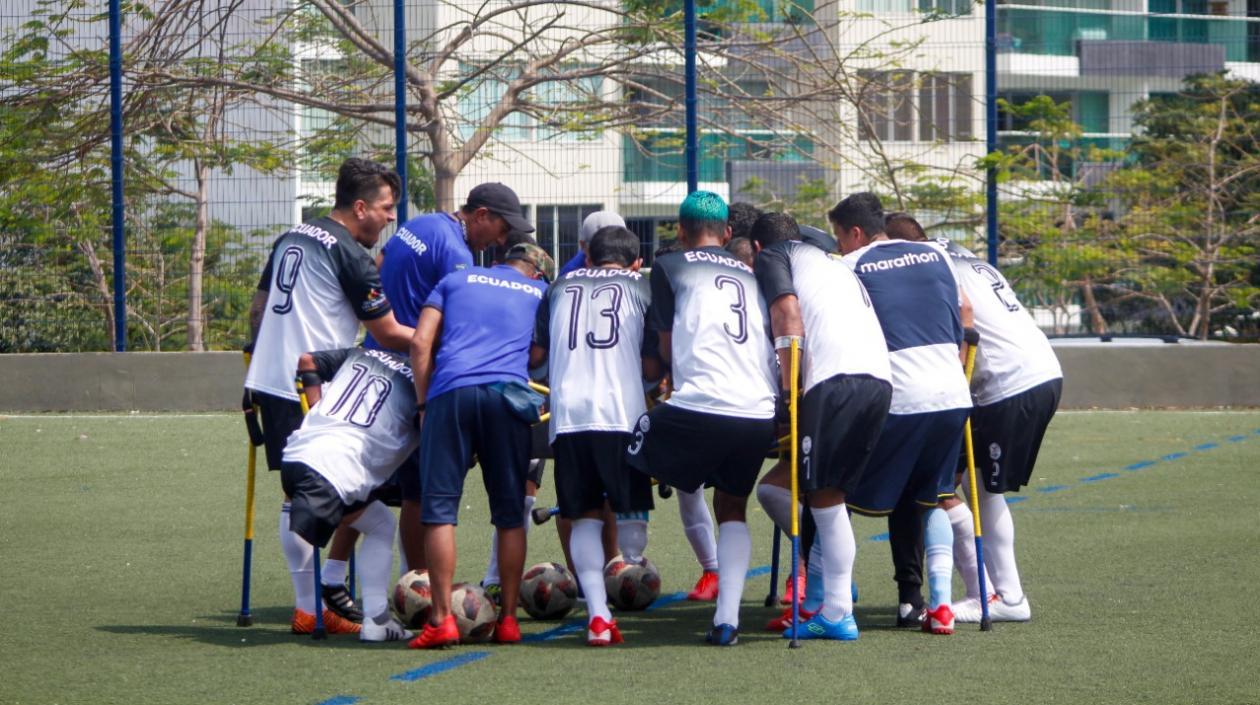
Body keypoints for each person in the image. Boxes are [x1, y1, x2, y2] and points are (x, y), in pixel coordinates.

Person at [243, 157, 414, 634]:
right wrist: (441, 340)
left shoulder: (292, 235)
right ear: (360, 207)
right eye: (386, 207)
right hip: (310, 383)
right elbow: (388, 333)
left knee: (300, 492)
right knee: (322, 493)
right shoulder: (352, 256)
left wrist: (254, 367)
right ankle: (312, 607)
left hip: (272, 377)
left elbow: (259, 308)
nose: (390, 218)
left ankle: (322, 596)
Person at [885, 213, 1062, 623]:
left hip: (1007, 383)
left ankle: (1008, 597)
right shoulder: (960, 253)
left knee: (981, 490)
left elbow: (963, 311)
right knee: (959, 482)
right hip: (1041, 370)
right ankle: (982, 588)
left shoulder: (927, 263)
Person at [627, 191, 778, 646]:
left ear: (679, 229)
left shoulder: (670, 266)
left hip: (700, 406)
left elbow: (667, 348)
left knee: (622, 454)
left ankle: (616, 569)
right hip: (758, 411)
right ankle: (726, 620)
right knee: (731, 505)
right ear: (728, 233)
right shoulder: (754, 274)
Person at [364, 183, 533, 573]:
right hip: (415, 374)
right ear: (481, 215)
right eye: (503, 227)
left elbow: (377, 269)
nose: (504, 239)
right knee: (424, 494)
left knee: (391, 488)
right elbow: (459, 327)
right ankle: (422, 589)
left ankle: (407, 581)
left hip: (375, 360)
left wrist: (381, 327)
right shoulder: (458, 256)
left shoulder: (420, 224)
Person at [831, 192, 972, 636]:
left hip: (900, 397)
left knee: (831, 489)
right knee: (928, 496)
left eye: (839, 237)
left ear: (855, 233)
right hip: (953, 393)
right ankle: (934, 604)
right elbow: (963, 314)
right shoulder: (935, 253)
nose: (838, 247)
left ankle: (826, 597)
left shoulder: (850, 267)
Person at [749, 213, 893, 639]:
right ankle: (829, 602)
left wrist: (790, 393)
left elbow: (787, 315)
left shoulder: (774, 255)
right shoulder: (832, 263)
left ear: (758, 248)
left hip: (835, 382)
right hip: (879, 382)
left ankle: (837, 611)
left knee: (825, 502)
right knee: (829, 499)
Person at [407, 243, 556, 649]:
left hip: (450, 394)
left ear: (500, 262)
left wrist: (423, 404)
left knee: (440, 509)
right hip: (506, 398)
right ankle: (508, 620)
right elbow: (538, 353)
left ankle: (440, 620)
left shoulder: (454, 279)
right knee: (510, 514)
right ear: (536, 273)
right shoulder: (539, 293)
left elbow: (421, 343)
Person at [532, 225, 660, 646]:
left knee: (582, 514)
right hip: (620, 412)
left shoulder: (558, 285)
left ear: (586, 257)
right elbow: (651, 365)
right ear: (636, 262)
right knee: (632, 512)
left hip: (568, 415)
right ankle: (631, 569)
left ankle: (599, 616)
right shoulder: (641, 287)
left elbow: (537, 354)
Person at [282, 346, 420, 642]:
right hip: (337, 467)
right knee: (377, 526)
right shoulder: (425, 378)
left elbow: (307, 360)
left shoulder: (365, 352)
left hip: (298, 452)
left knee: (380, 522)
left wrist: (316, 413)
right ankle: (365, 618)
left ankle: (365, 617)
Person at [555, 210, 628, 279]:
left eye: (615, 246)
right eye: (600, 247)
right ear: (583, 246)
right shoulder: (570, 275)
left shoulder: (631, 262)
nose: (607, 253)